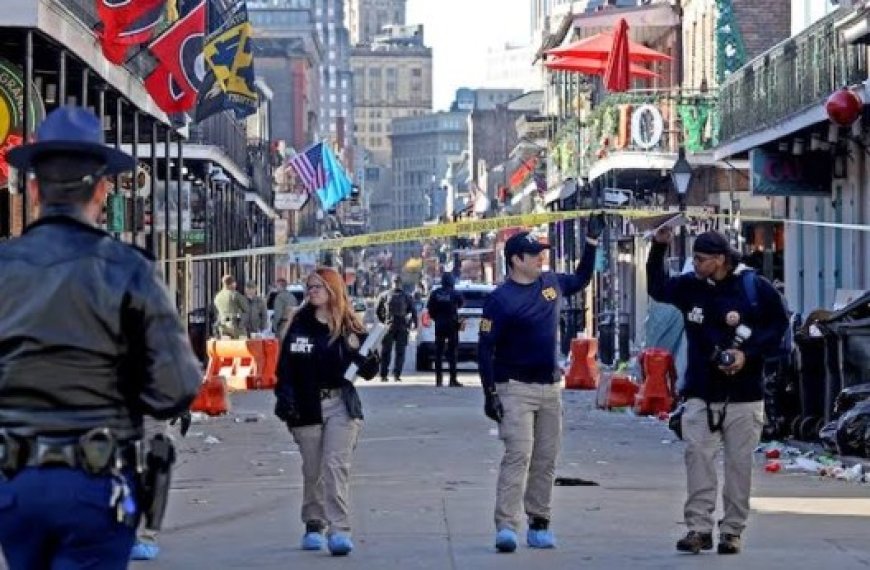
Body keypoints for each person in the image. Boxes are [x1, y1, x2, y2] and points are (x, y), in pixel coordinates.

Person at [0, 106, 201, 569]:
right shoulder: (129, 269)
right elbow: (176, 389)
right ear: (103, 188)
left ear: (33, 190)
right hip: (95, 479)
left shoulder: (5, 269)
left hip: (15, 482)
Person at [647, 228, 788, 555]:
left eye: (700, 259)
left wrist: (746, 354)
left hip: (745, 395)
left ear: (720, 259)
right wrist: (659, 247)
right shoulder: (690, 287)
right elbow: (657, 288)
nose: (694, 264)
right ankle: (698, 528)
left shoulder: (754, 288)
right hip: (700, 391)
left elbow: (779, 327)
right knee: (698, 458)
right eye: (693, 258)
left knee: (739, 465)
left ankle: (732, 531)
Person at [477, 214, 603, 553]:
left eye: (541, 253)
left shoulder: (550, 284)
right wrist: (490, 394)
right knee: (519, 454)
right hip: (514, 387)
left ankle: (540, 522)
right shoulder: (500, 300)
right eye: (534, 254)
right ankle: (506, 525)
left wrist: (591, 243)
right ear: (517, 260)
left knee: (546, 458)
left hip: (549, 388)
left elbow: (581, 278)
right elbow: (485, 349)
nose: (541, 258)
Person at [273, 267, 379, 556]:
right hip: (307, 405)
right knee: (314, 470)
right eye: (310, 287)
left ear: (333, 289)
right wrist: (285, 401)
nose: (312, 292)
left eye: (318, 286)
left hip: (341, 406)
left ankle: (339, 530)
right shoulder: (300, 324)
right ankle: (313, 522)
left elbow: (369, 371)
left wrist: (361, 352)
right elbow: (285, 369)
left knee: (335, 466)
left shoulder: (349, 326)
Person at [376, 275, 417, 382]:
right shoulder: (407, 296)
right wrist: (414, 324)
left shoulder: (384, 295)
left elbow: (377, 311)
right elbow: (413, 311)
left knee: (386, 352)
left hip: (389, 326)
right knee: (399, 352)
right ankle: (396, 375)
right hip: (401, 326)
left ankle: (384, 375)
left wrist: (383, 321)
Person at [426, 272, 464, 387]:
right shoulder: (455, 293)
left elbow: (430, 309)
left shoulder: (435, 293)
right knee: (452, 353)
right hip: (452, 325)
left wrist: (437, 318)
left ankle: (439, 380)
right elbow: (461, 304)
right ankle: (453, 380)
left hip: (440, 325)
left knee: (438, 353)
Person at [214, 274, 249, 338]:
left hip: (223, 326)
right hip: (235, 326)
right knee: (240, 346)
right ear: (232, 284)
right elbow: (246, 310)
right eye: (234, 283)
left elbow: (217, 312)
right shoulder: (235, 295)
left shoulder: (217, 297)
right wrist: (241, 324)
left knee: (226, 346)